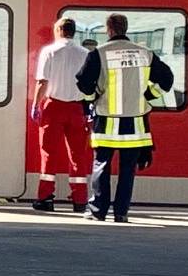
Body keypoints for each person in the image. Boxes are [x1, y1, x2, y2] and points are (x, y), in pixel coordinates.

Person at [76, 13, 173, 222]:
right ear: (125, 29)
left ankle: (97, 211)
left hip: (107, 121)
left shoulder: (99, 53)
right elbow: (167, 79)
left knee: (101, 165)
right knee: (128, 170)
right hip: (135, 124)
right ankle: (121, 213)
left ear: (109, 29)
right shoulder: (145, 53)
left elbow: (83, 83)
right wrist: (149, 95)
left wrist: (92, 99)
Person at [31, 18, 93, 213]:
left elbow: (42, 82)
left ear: (58, 30)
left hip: (53, 107)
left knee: (48, 152)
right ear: (73, 32)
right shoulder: (85, 54)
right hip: (77, 109)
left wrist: (35, 105)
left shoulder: (49, 52)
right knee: (78, 154)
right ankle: (80, 199)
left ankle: (46, 197)